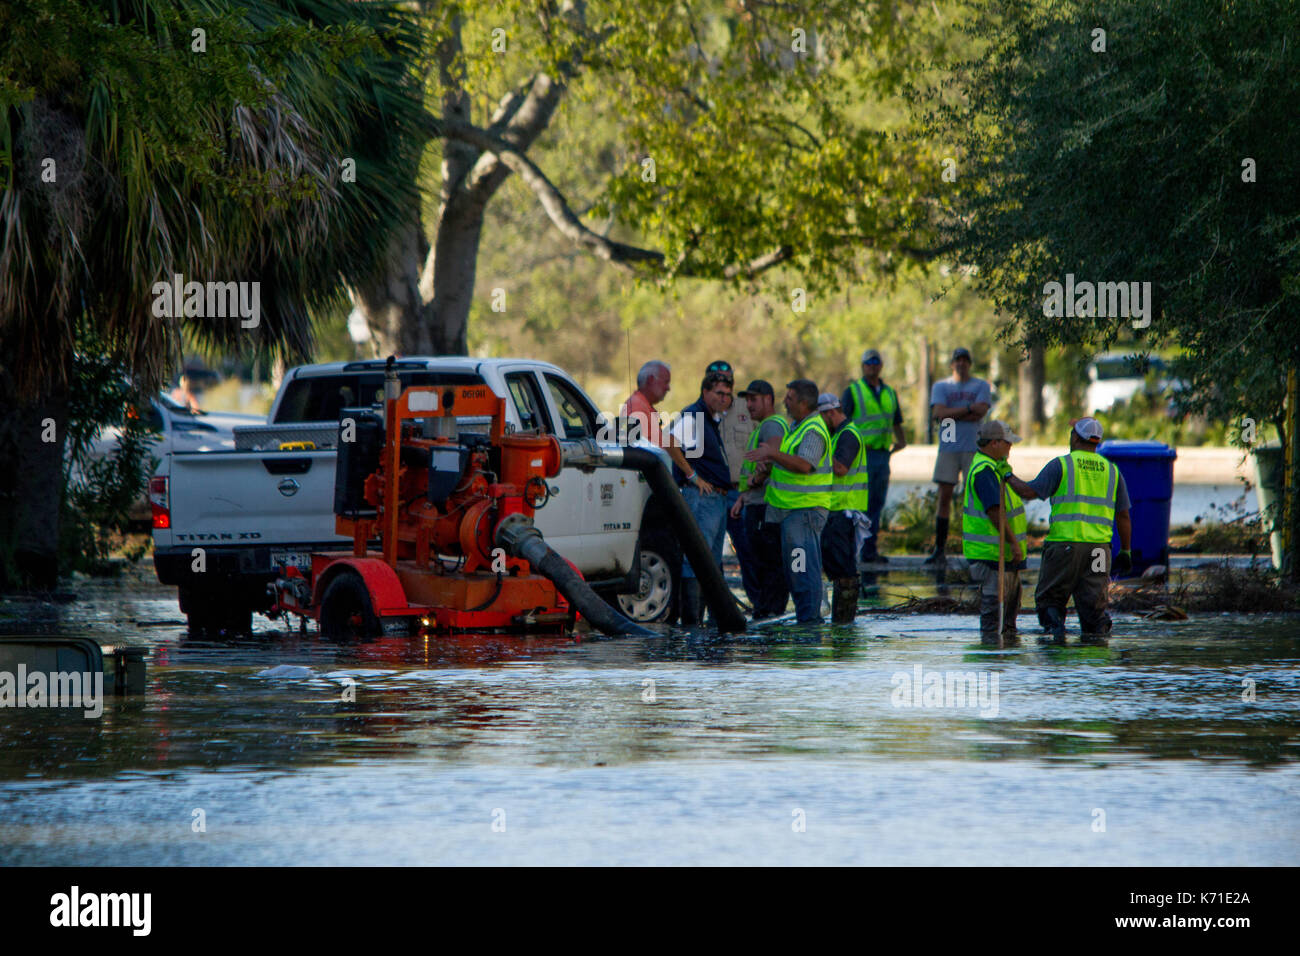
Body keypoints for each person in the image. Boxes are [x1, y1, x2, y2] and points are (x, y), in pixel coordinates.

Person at [1006, 417, 1133, 645]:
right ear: (1096, 441)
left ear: (1075, 437)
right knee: (1094, 607)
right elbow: (1123, 516)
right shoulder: (1112, 471)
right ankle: (1097, 643)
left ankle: (1056, 642)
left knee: (1050, 602)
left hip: (1065, 548)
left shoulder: (1062, 465)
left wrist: (1006, 474)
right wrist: (1126, 551)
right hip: (1099, 551)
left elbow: (1027, 492)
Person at [744, 379, 832, 624]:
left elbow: (805, 465)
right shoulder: (796, 426)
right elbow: (791, 460)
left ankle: (810, 620)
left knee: (802, 569)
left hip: (804, 512)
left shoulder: (813, 429)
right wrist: (772, 463)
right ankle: (808, 616)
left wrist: (772, 453)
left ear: (804, 403)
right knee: (796, 569)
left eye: (790, 398)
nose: (785, 402)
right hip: (791, 511)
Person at [666, 371, 735, 624]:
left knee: (710, 562)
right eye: (719, 393)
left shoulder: (710, 417)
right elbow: (669, 441)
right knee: (697, 560)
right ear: (705, 392)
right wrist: (693, 476)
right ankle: (692, 623)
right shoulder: (695, 414)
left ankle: (701, 624)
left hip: (716, 498)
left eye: (728, 394)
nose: (724, 398)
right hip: (702, 497)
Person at [962, 420, 1028, 647]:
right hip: (991, 557)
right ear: (994, 443)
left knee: (1007, 623)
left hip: (1002, 558)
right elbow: (995, 513)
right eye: (1008, 443)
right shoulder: (984, 471)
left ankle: (1004, 660)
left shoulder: (995, 468)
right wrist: (1014, 544)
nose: (1011, 447)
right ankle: (990, 661)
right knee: (994, 622)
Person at [926, 347, 992, 565]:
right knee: (944, 496)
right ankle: (940, 549)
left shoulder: (981, 385)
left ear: (970, 364)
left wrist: (953, 412)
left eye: (965, 360)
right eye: (958, 360)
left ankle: (973, 547)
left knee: (973, 498)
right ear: (952, 364)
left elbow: (981, 411)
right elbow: (939, 413)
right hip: (949, 444)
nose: (961, 364)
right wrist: (967, 409)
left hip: (973, 446)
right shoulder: (942, 386)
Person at [730, 380, 790, 618]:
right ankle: (767, 610)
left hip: (765, 506)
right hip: (755, 502)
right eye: (747, 400)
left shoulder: (772, 426)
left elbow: (773, 457)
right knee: (761, 561)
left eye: (753, 400)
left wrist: (757, 479)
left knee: (768, 562)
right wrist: (744, 496)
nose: (749, 405)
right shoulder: (763, 426)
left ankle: (770, 612)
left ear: (768, 399)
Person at [842, 349, 906, 566]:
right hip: (860, 456)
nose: (872, 366)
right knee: (859, 504)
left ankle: (870, 551)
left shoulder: (889, 392)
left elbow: (896, 420)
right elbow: (842, 423)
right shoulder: (853, 391)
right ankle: (851, 551)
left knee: (876, 504)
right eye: (868, 363)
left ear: (881, 365)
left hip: (881, 455)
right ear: (862, 366)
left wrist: (901, 440)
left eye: (875, 362)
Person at [709, 360, 760, 609]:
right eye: (717, 379)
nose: (723, 383)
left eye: (727, 379)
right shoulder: (700, 412)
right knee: (711, 553)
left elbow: (764, 444)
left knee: (748, 550)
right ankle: (719, 607)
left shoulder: (745, 408)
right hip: (710, 494)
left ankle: (759, 604)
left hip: (740, 493)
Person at [818, 394, 869, 624]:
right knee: (839, 570)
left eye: (821, 417)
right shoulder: (840, 434)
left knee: (844, 573)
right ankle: (841, 621)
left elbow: (840, 468)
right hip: (838, 511)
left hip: (844, 511)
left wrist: (813, 458)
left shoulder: (848, 435)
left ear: (830, 413)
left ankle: (843, 622)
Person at [619, 360, 671, 447]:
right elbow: (638, 451)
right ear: (650, 380)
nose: (668, 388)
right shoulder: (637, 407)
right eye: (666, 382)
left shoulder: (642, 404)